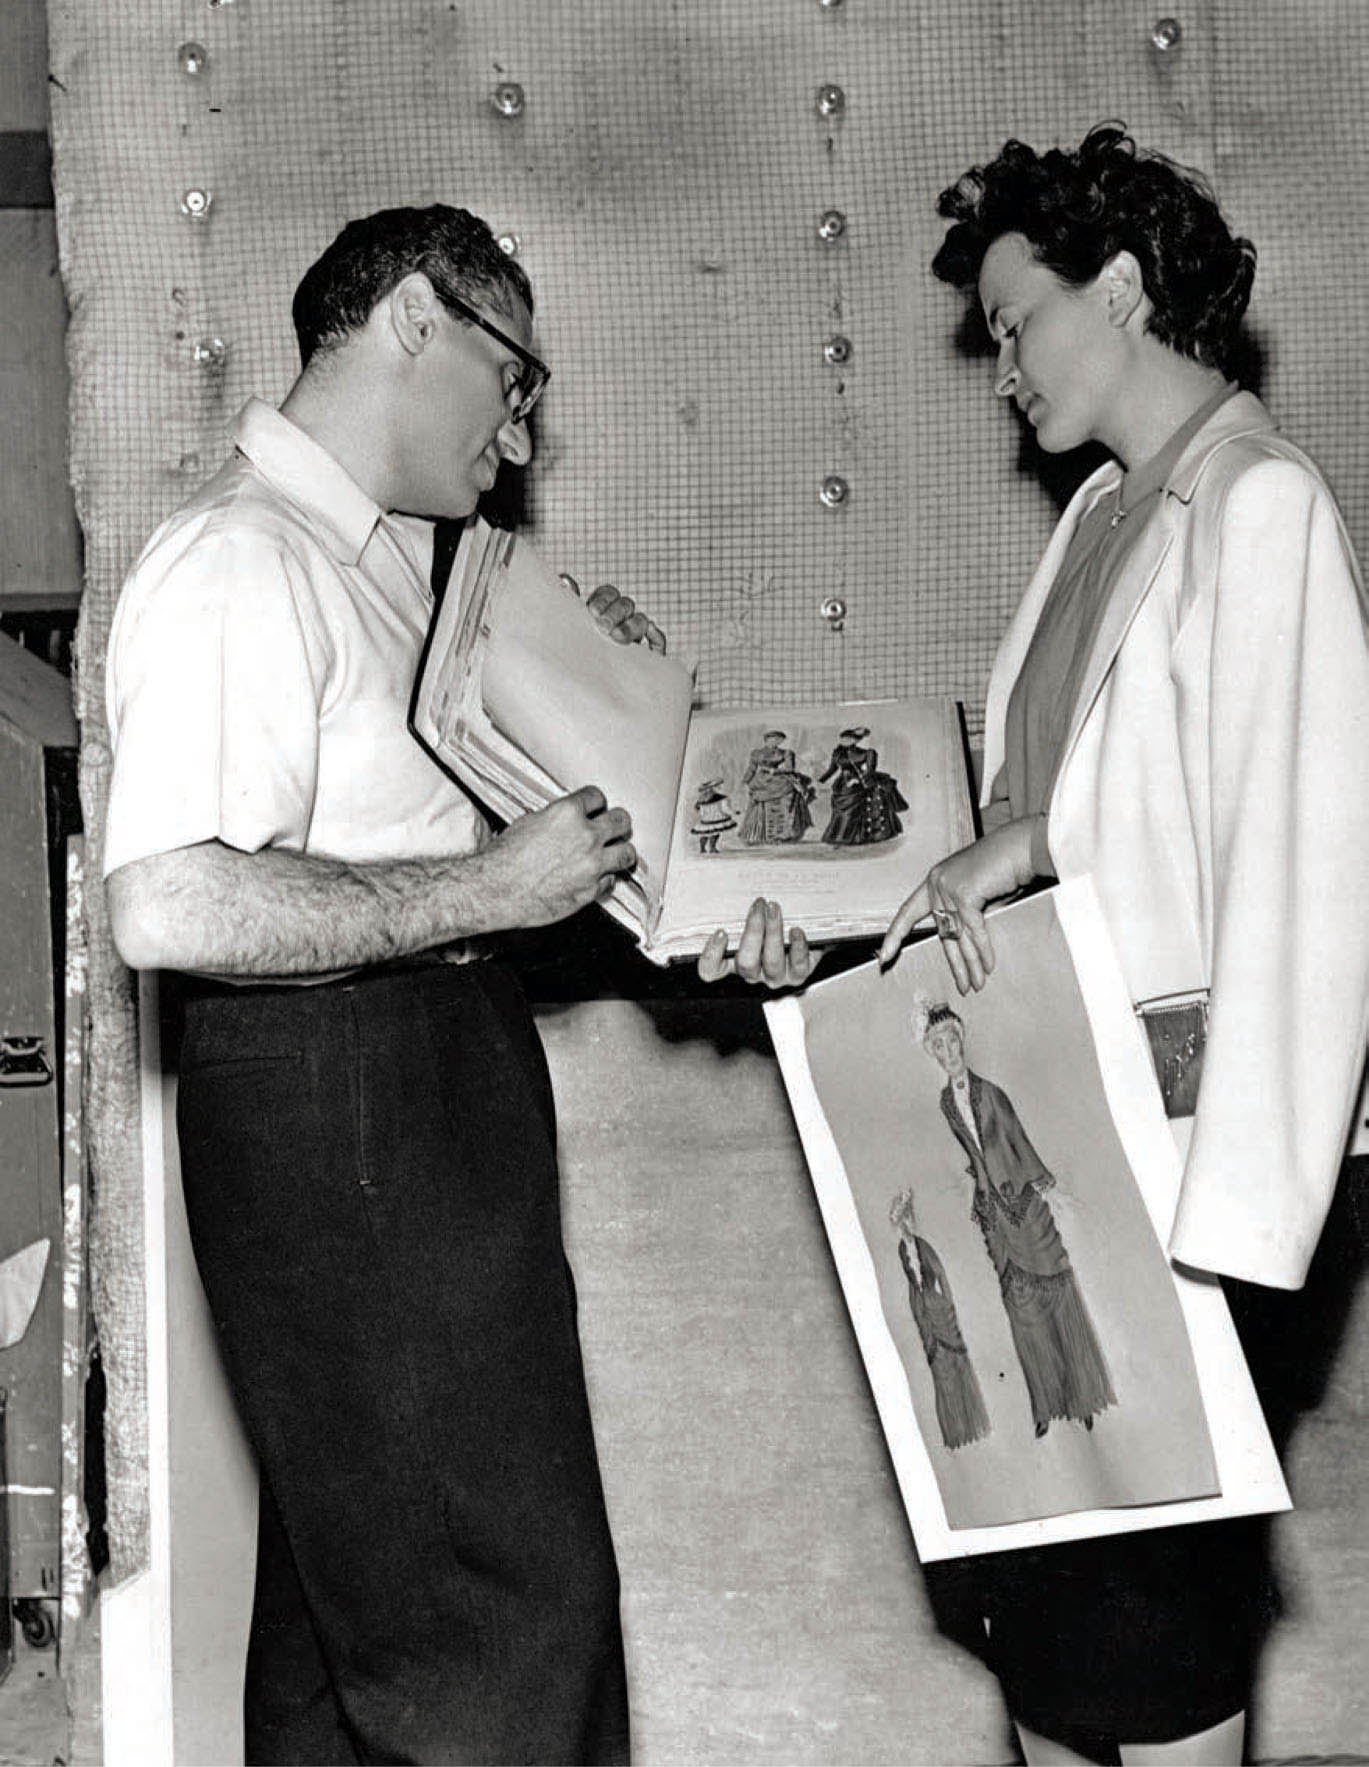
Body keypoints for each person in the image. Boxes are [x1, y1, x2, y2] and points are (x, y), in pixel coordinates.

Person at [707, 124, 1369, 1764]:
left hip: (1184, 1191)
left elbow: (1301, 878)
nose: (997, 369)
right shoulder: (1097, 519)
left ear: (1125, 290)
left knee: (1154, 1663)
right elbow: (1041, 833)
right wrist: (824, 927)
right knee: (1058, 1662)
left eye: (1013, 325)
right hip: (1053, 1173)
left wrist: (1222, 1245)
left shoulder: (1257, 508)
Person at [102, 204, 665, 1766]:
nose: (522, 428)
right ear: (414, 319)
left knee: (352, 1646)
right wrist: (489, 885)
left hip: (412, 1111)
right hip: (353, 1127)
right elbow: (168, 895)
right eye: (518, 373)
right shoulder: (239, 555)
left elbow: (404, 874)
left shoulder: (386, 577)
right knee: (500, 1629)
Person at [916, 999, 1114, 1439]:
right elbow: (974, 1154)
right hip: (993, 1216)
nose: (948, 1051)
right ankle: (1046, 1403)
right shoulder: (947, 1103)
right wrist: (978, 1193)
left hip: (1023, 1205)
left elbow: (1017, 1141)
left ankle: (1082, 1398)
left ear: (962, 1039)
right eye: (938, 1046)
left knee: (1057, 1294)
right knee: (1019, 1310)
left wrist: (1037, 1182)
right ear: (932, 1053)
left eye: (951, 1040)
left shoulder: (992, 1093)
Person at [888, 1185, 990, 1451]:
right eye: (901, 1220)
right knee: (939, 1369)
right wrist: (917, 1312)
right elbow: (912, 1285)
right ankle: (955, 1429)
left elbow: (942, 1276)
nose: (905, 1224)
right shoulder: (902, 1249)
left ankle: (971, 1423)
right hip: (924, 1311)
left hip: (940, 1309)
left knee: (956, 1363)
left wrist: (948, 1304)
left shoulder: (924, 1246)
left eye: (906, 1218)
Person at [818, 726, 907, 846]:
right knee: (840, 811)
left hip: (860, 783)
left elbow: (870, 771)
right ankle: (839, 837)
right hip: (842, 783)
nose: (844, 741)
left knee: (853, 809)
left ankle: (854, 838)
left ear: (855, 740)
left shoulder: (868, 753)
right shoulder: (837, 754)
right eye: (843, 739)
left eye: (848, 739)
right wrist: (820, 781)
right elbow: (832, 770)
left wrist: (857, 780)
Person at [738, 730, 814, 844]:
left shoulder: (786, 753)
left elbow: (790, 768)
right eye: (773, 739)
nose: (776, 742)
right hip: (761, 781)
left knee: (788, 796)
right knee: (760, 804)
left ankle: (783, 834)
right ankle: (759, 834)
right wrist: (744, 782)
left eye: (779, 740)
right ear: (766, 740)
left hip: (779, 779)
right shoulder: (756, 753)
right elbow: (751, 769)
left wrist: (773, 770)